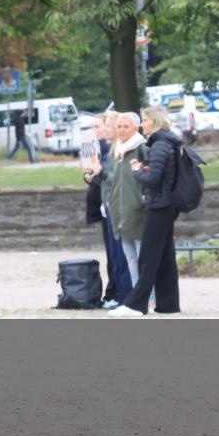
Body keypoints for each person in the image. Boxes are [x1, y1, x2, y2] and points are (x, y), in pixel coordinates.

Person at [110, 106, 183, 317]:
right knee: (166, 258)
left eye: (144, 120)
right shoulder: (167, 142)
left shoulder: (159, 145)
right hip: (166, 206)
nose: (143, 124)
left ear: (155, 122)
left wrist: (137, 171)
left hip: (160, 206)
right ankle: (168, 304)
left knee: (147, 258)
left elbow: (152, 179)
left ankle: (136, 305)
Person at [84, 113, 131, 308]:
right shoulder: (106, 149)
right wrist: (92, 175)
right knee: (114, 254)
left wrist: (100, 173)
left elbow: (119, 179)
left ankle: (123, 295)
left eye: (99, 127)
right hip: (107, 205)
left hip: (117, 206)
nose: (96, 131)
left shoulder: (119, 150)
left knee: (121, 254)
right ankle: (117, 293)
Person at [105, 112, 148, 300]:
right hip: (120, 212)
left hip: (137, 211)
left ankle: (148, 297)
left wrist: (142, 201)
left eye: (126, 126)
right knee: (130, 258)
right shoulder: (118, 151)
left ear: (136, 128)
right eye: (119, 126)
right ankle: (134, 297)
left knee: (142, 259)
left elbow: (147, 178)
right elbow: (116, 182)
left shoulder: (143, 148)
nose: (121, 130)